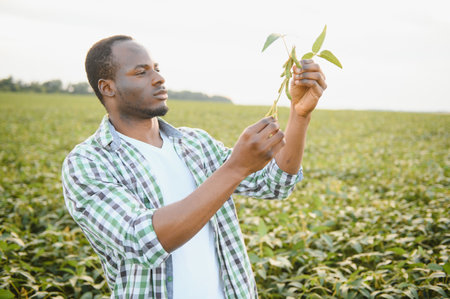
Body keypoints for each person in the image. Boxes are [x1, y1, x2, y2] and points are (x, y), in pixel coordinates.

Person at [61, 35, 327, 299]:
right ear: (108, 88)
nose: (158, 78)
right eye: (141, 72)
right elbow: (141, 241)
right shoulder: (89, 162)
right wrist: (235, 168)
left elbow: (275, 183)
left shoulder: (195, 144)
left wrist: (299, 114)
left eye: (157, 69)